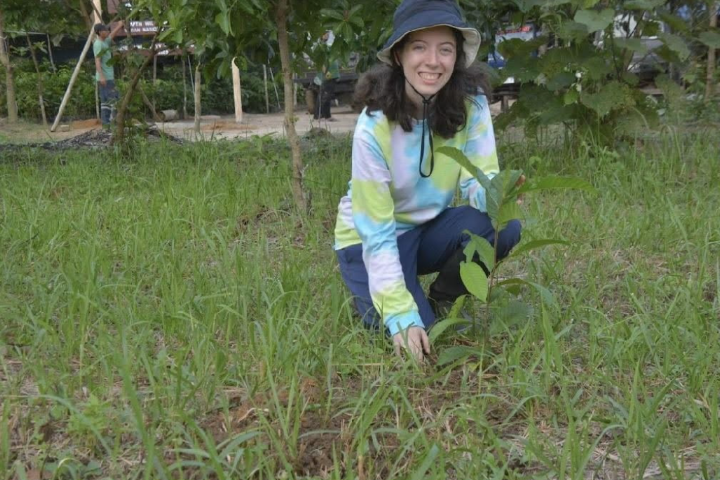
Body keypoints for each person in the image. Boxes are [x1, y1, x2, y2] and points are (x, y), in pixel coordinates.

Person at [333, 0, 523, 362]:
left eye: (445, 49)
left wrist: (499, 194)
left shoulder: (472, 106)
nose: (433, 61)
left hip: (424, 228)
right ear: (399, 55)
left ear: (457, 57)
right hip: (367, 239)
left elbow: (478, 181)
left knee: (505, 226)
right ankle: (394, 301)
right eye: (419, 47)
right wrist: (401, 314)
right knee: (409, 332)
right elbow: (375, 229)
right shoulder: (373, 127)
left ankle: (444, 295)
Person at [93, 21, 124, 128]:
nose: (107, 32)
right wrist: (102, 76)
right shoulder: (98, 44)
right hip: (105, 78)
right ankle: (111, 123)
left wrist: (119, 26)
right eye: (105, 30)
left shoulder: (105, 41)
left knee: (107, 101)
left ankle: (107, 123)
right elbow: (97, 61)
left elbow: (111, 35)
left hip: (108, 77)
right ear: (100, 32)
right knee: (113, 100)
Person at [313, 31, 340, 121]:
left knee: (327, 96)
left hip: (332, 74)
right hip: (327, 75)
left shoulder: (326, 45)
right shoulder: (320, 46)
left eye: (328, 34)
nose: (327, 35)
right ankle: (318, 116)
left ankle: (327, 115)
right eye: (325, 34)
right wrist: (325, 72)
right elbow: (320, 61)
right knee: (323, 95)